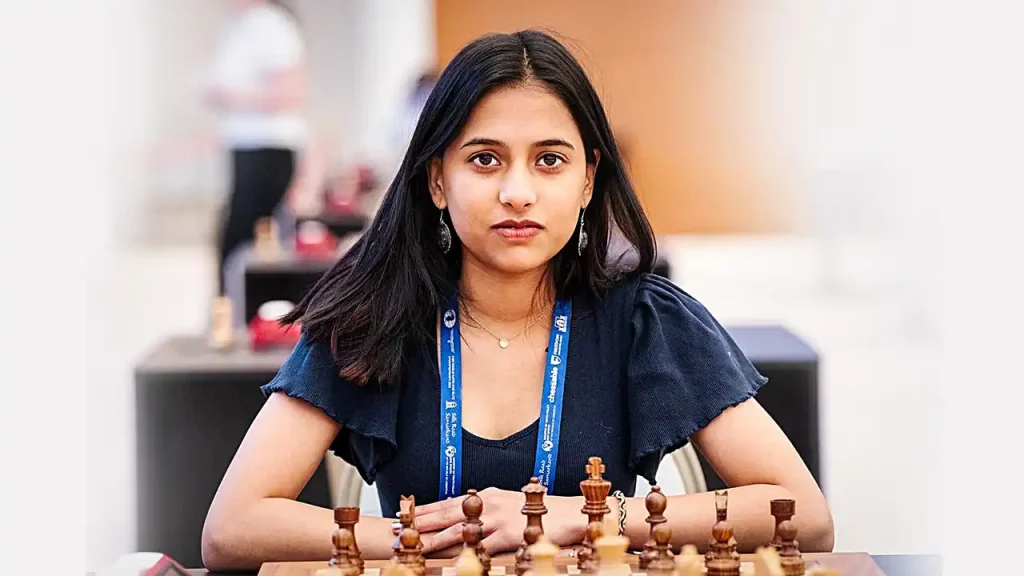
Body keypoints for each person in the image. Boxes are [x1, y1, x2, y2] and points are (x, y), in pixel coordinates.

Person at [201, 30, 834, 570]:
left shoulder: (647, 321)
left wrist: (589, 518)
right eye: (485, 160)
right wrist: (407, 538)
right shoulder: (373, 317)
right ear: (437, 180)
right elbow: (230, 528)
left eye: (550, 161)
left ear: (588, 180)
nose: (518, 192)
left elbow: (805, 515)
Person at [206, 0, 308, 295]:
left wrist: (230, 95)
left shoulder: (270, 25)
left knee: (243, 248)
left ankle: (247, 314)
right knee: (234, 247)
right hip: (248, 151)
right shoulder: (241, 26)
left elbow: (293, 92)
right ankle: (232, 311)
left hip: (268, 151)